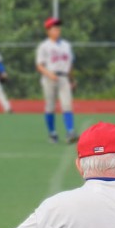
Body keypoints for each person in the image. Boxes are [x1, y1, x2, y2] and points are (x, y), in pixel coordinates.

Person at [36, 17, 78, 145]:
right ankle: (52, 133)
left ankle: (70, 132)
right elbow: (39, 65)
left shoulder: (66, 45)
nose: (57, 30)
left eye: (58, 28)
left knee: (67, 105)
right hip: (50, 78)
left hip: (64, 77)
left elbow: (70, 64)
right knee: (50, 107)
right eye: (54, 28)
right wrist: (49, 74)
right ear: (48, 31)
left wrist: (72, 79)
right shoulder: (44, 46)